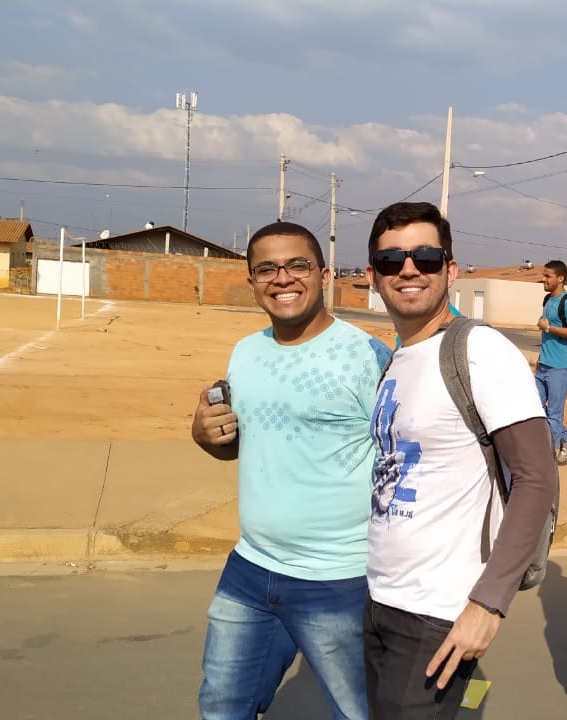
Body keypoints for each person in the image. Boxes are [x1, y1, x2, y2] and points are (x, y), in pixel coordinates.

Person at [363, 201, 559, 719]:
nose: (409, 269)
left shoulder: (479, 351)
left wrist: (489, 604)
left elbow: (537, 478)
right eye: (391, 260)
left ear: (450, 270)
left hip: (437, 611)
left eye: (425, 257)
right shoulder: (400, 358)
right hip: (382, 597)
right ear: (373, 276)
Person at [190, 221, 388, 720]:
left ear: (324, 274)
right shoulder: (246, 352)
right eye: (267, 269)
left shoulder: (369, 357)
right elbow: (242, 448)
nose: (283, 278)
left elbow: (405, 467)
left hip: (340, 580)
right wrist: (205, 435)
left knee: (360, 713)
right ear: (252, 281)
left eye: (297, 265)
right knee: (221, 706)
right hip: (250, 569)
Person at [536, 260, 567, 463]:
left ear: (560, 278)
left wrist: (549, 328)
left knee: (554, 414)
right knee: (535, 409)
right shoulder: (547, 299)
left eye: (548, 276)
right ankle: (566, 436)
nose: (543, 279)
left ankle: (547, 459)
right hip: (543, 365)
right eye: (543, 275)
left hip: (561, 367)